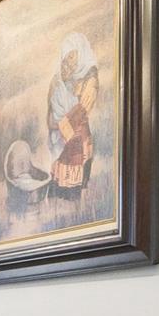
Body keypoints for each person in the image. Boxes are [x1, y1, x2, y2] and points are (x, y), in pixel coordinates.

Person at [45, 31, 101, 198]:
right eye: (66, 57)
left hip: (78, 138)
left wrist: (62, 125)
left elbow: (83, 109)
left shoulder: (90, 77)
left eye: (72, 56)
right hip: (64, 136)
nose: (68, 62)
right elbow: (52, 115)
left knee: (73, 187)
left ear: (81, 53)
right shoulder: (58, 79)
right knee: (60, 186)